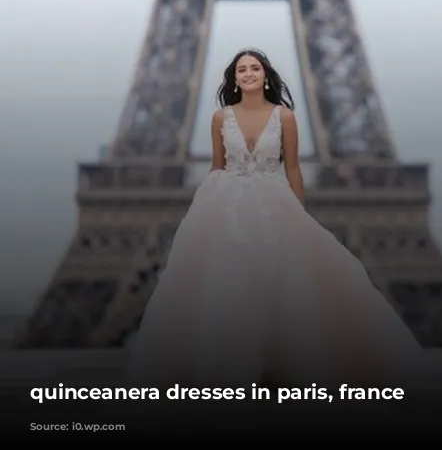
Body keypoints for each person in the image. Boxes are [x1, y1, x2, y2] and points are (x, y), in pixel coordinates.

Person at [127, 48, 425, 390]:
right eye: (242, 69)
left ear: (265, 74)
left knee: (279, 280)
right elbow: (217, 166)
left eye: (255, 68)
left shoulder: (283, 117)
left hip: (273, 200)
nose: (249, 73)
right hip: (228, 203)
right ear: (234, 78)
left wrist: (298, 213)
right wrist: (203, 206)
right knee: (227, 280)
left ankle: (278, 366)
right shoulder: (220, 118)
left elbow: (293, 168)